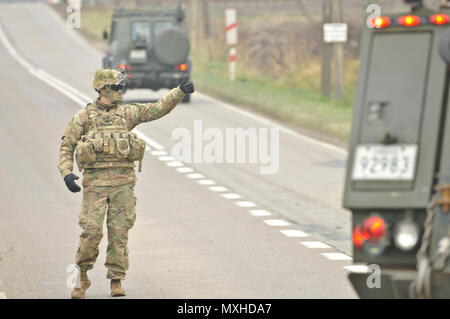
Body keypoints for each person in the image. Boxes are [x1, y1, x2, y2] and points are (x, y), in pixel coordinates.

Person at [58, 69, 194, 298]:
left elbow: (156, 109)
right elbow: (66, 147)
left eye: (122, 87)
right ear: (102, 89)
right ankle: (82, 276)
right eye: (116, 87)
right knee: (91, 232)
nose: (121, 92)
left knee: (119, 233)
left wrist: (178, 92)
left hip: (123, 184)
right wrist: (66, 173)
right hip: (95, 185)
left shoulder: (127, 114)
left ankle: (116, 280)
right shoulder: (83, 117)